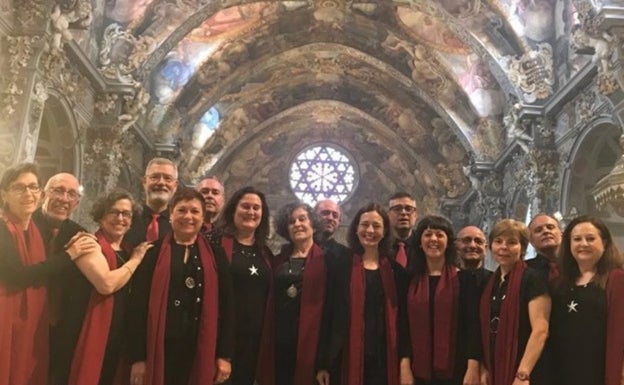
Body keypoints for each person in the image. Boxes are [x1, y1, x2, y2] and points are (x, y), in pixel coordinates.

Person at [127, 188, 234, 385]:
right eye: (182, 210)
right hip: (160, 345)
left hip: (199, 346)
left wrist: (224, 355)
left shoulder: (216, 255)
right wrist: (138, 357)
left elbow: (227, 305)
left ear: (203, 218)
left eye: (195, 211)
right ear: (171, 214)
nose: (188, 216)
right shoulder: (152, 253)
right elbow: (137, 306)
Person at [61, 189, 152, 385]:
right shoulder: (88, 243)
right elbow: (106, 284)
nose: (120, 218)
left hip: (117, 335)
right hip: (86, 332)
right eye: (114, 212)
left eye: (126, 214)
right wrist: (136, 260)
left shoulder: (126, 250)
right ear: (101, 215)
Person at [316, 203, 411, 385]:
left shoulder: (396, 272)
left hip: (385, 358)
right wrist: (323, 364)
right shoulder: (338, 265)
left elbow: (404, 320)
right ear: (356, 228)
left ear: (384, 232)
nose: (370, 230)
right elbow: (328, 315)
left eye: (376, 226)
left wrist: (405, 361)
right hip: (344, 356)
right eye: (365, 224)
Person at [209, 186, 274, 385]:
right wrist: (222, 351)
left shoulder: (266, 253)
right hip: (221, 340)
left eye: (256, 208)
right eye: (245, 206)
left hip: (254, 344)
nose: (251, 212)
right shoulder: (215, 244)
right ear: (233, 209)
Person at [550, 215, 624, 385]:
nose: (583, 244)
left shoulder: (617, 279)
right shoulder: (558, 284)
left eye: (590, 238)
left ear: (604, 243)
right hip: (563, 371)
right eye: (577, 239)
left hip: (601, 370)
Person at [407, 215, 481, 385]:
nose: (434, 239)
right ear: (420, 242)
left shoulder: (465, 279)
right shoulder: (409, 280)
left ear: (448, 242)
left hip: (457, 368)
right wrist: (404, 366)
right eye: (428, 234)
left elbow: (473, 326)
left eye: (439, 235)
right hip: (417, 369)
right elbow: (403, 326)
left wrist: (472, 367)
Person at [0, 163, 53, 385]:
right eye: (19, 188)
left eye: (33, 187)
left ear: (41, 194)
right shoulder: (2, 227)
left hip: (29, 324)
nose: (28, 193)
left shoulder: (36, 230)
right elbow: (16, 277)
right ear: (4, 194)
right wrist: (68, 256)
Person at [480, 219, 551, 385]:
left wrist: (523, 374)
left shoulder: (533, 278)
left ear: (523, 249)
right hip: (495, 365)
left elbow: (541, 330)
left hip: (526, 369)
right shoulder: (491, 282)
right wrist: (485, 367)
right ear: (491, 247)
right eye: (498, 241)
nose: (504, 247)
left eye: (512, 242)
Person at [272, 202, 327, 385]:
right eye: (291, 221)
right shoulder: (278, 260)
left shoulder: (327, 261)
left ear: (313, 224)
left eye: (302, 219)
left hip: (312, 341)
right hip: (280, 340)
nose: (297, 224)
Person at [125, 158, 178, 246]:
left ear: (175, 186)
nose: (161, 182)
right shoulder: (127, 218)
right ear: (144, 181)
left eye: (168, 178)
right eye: (155, 177)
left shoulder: (180, 224)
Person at [387, 192, 418, 272]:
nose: (403, 213)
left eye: (408, 209)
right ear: (389, 215)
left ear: (415, 215)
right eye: (397, 209)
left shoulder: (423, 244)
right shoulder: (379, 245)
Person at [455, 225, 492, 292]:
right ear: (457, 246)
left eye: (478, 241)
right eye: (466, 240)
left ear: (485, 248)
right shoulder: (447, 282)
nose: (472, 245)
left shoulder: (495, 281)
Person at [527, 214, 562, 281]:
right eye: (538, 230)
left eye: (550, 227)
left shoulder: (577, 264)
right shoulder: (523, 270)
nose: (546, 231)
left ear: (561, 233)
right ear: (531, 240)